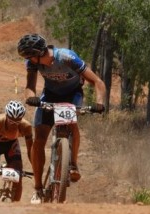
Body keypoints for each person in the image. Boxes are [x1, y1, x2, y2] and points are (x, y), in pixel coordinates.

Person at [17, 33, 106, 204]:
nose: (27, 60)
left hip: (72, 95)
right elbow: (30, 86)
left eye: (29, 56)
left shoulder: (66, 57)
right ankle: (38, 188)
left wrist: (99, 103)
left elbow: (97, 81)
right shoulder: (33, 63)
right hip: (50, 95)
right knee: (39, 140)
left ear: (38, 53)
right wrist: (30, 97)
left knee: (71, 124)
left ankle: (72, 164)